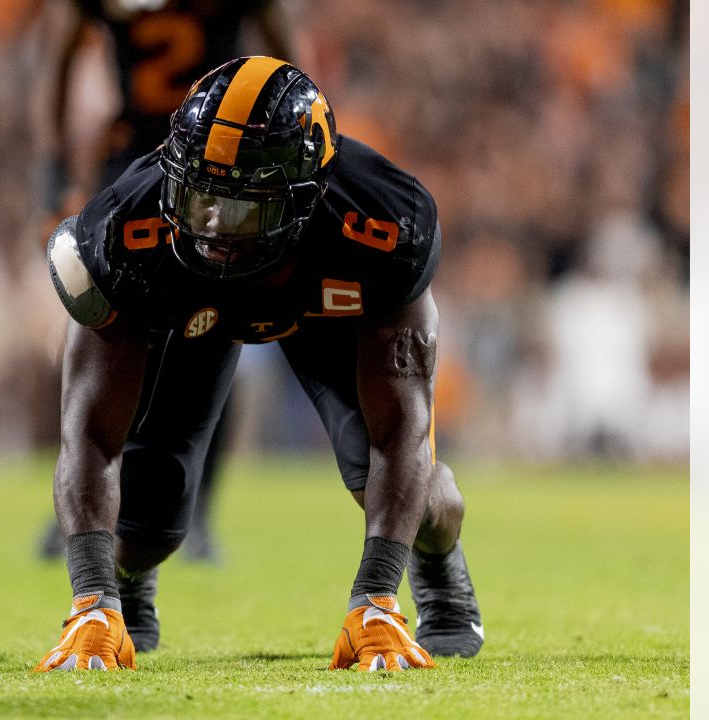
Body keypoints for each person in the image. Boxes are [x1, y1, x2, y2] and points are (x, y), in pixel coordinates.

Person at [34, 57, 483, 672]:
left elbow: (401, 431)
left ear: (304, 197)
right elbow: (87, 434)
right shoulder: (121, 233)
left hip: (325, 315)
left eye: (240, 207)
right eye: (197, 197)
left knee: (399, 484)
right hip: (192, 307)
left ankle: (437, 563)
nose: (213, 226)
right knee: (144, 523)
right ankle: (118, 595)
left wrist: (376, 598)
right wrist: (89, 597)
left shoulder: (380, 226)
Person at [38, 0, 294, 562]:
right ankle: (81, 506)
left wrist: (55, 176)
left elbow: (283, 52)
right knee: (100, 324)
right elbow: (58, 59)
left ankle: (195, 511)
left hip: (215, 163)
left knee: (217, 329)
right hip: (147, 158)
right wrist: (57, 176)